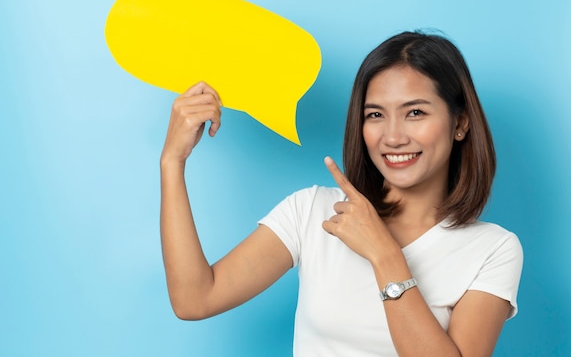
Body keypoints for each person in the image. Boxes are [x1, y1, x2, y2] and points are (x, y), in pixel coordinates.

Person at [160, 31, 523, 357]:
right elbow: (195, 300)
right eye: (375, 115)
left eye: (415, 112)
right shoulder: (313, 212)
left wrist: (384, 254)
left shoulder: (493, 250)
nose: (393, 137)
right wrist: (173, 163)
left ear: (460, 123)